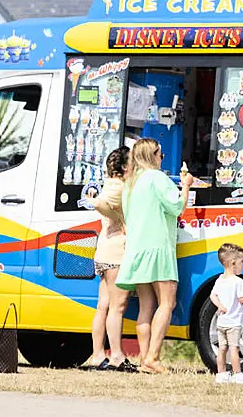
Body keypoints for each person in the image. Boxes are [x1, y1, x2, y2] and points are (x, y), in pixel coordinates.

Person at [116, 139, 194, 374]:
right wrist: (186, 185)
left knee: (145, 307)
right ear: (153, 155)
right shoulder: (158, 178)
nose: (163, 157)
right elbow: (177, 207)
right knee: (167, 303)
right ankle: (153, 357)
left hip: (137, 249)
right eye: (161, 153)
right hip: (158, 246)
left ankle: (144, 359)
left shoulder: (130, 183)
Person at [86, 147, 135, 372]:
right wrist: (118, 219)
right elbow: (98, 203)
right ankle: (116, 354)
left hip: (104, 249)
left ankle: (97, 354)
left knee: (103, 305)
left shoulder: (109, 184)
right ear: (125, 167)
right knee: (118, 306)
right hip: (117, 252)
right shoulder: (119, 187)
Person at [209, 243, 243, 384]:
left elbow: (212, 296)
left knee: (222, 349)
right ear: (233, 263)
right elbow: (242, 300)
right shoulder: (238, 282)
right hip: (233, 323)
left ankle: (221, 374)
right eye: (242, 261)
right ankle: (238, 374)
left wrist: (219, 306)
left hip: (221, 323)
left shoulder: (219, 280)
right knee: (234, 348)